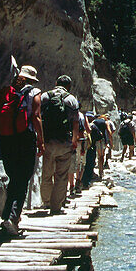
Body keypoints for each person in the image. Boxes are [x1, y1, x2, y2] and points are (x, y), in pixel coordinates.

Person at [0, 64, 43, 235]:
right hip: (25, 139)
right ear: (32, 79)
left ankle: (6, 217)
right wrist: (41, 140)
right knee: (22, 180)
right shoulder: (34, 92)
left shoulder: (7, 91)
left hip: (6, 139)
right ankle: (13, 219)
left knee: (14, 178)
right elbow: (36, 117)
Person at [39, 74, 80, 214]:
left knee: (46, 173)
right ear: (69, 86)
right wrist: (74, 140)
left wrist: (40, 140)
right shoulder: (71, 99)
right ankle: (56, 206)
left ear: (56, 83)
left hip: (48, 141)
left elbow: (38, 117)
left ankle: (46, 202)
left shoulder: (45, 96)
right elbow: (75, 122)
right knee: (61, 175)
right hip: (64, 142)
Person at [89, 112, 112, 179]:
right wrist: (110, 142)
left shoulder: (93, 122)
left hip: (93, 141)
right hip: (101, 140)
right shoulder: (105, 122)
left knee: (93, 156)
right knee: (101, 156)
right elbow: (109, 131)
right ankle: (101, 172)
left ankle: (92, 172)